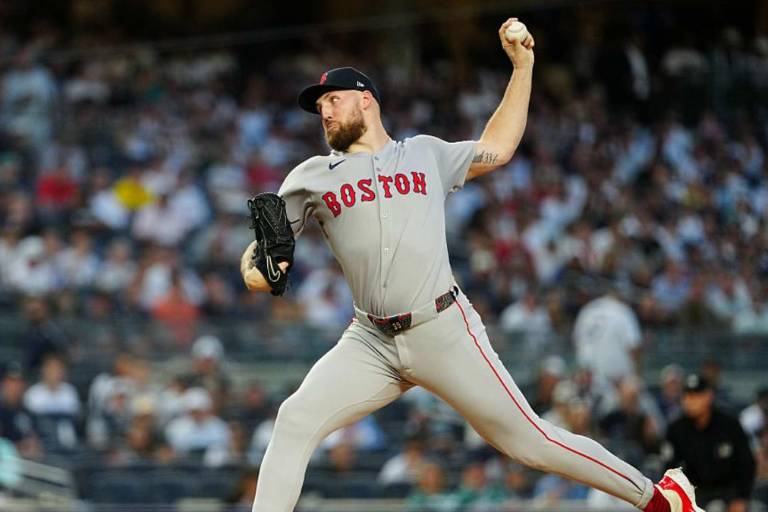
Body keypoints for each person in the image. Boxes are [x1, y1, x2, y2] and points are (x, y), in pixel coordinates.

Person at [240, 18, 703, 512]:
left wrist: (522, 68)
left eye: (333, 100)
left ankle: (659, 499)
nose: (324, 112)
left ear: (365, 100)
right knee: (293, 421)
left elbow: (498, 148)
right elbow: (260, 257)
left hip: (442, 327)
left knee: (531, 443)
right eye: (319, 107)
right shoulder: (312, 175)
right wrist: (259, 268)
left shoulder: (422, 153)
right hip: (370, 341)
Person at [663, 375, 756, 512]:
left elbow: (746, 464)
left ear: (709, 396)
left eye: (696, 396)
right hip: (692, 495)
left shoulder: (729, 425)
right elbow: (668, 468)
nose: (690, 401)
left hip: (727, 494)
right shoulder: (677, 428)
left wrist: (741, 498)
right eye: (687, 396)